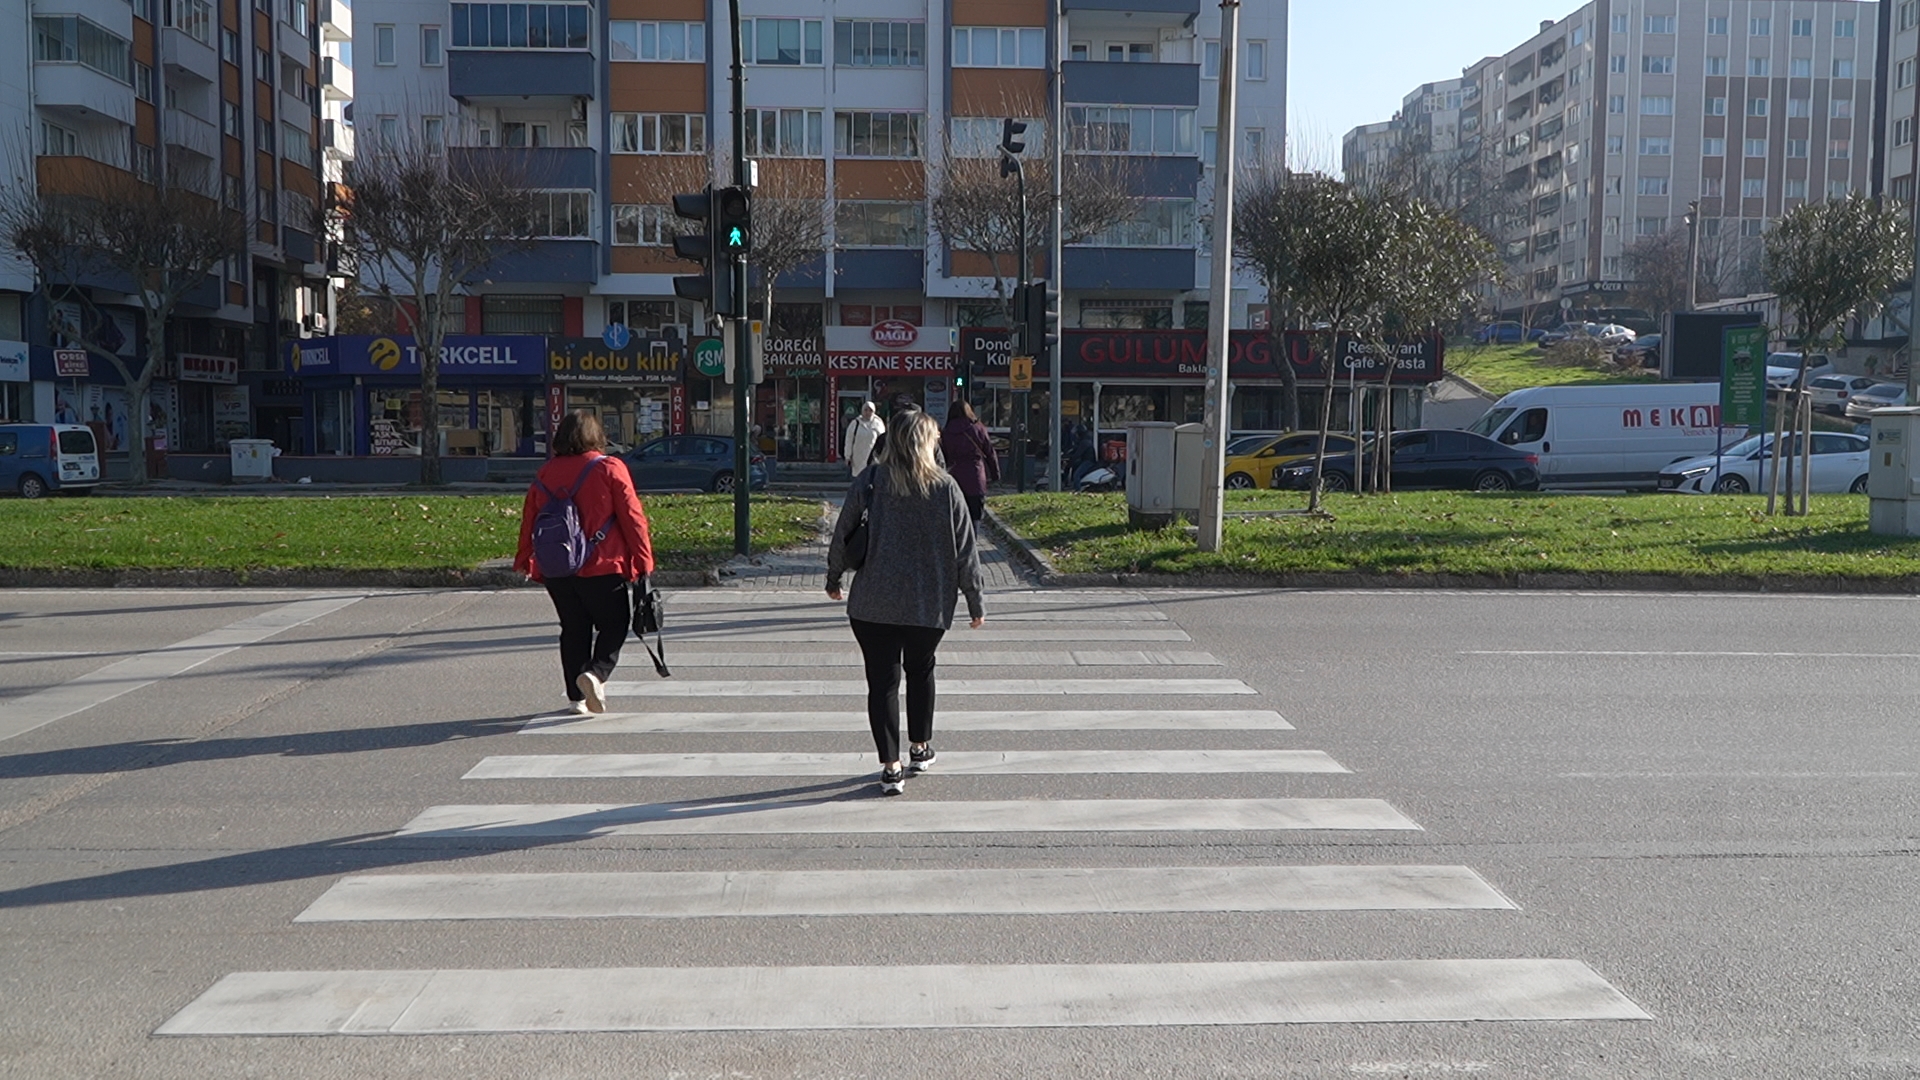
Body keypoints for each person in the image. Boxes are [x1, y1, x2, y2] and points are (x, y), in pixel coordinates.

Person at [827, 410, 985, 795]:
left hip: (872, 604)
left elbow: (842, 532)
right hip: (926, 604)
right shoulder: (946, 488)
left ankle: (890, 767)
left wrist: (833, 579)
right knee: (920, 669)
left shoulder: (871, 480)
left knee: (881, 683)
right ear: (926, 442)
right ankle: (919, 747)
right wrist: (974, 601)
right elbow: (966, 550)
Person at [515, 411, 655, 715]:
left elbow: (531, 518)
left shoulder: (546, 473)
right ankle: (595, 674)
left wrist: (524, 556)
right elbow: (633, 519)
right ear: (596, 435)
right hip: (603, 565)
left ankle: (575, 699)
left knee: (573, 629)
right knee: (614, 625)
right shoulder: (609, 468)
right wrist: (643, 560)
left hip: (557, 567)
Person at [940, 399, 999, 522]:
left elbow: (942, 457)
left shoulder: (946, 433)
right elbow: (990, 452)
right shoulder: (978, 429)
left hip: (954, 477)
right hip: (975, 477)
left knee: (956, 517)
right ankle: (973, 539)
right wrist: (995, 474)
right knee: (974, 517)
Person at [843, 401, 885, 475]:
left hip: (874, 458)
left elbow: (883, 441)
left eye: (870, 410)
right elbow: (849, 441)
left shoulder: (878, 424)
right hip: (858, 458)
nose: (868, 412)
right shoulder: (855, 423)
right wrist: (847, 456)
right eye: (866, 410)